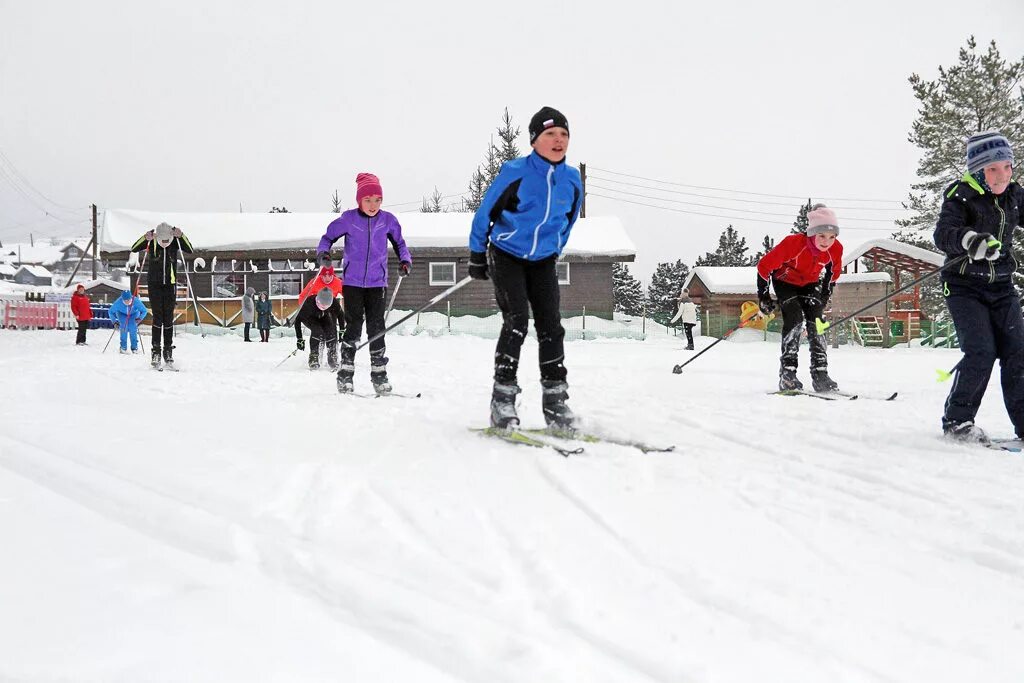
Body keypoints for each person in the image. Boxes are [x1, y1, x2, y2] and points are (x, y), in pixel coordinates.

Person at [468, 106, 584, 429]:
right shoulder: (515, 172)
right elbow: (485, 213)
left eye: (563, 134)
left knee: (551, 325)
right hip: (507, 252)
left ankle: (556, 401)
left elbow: (568, 220)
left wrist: (555, 249)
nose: (558, 140)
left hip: (543, 259)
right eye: (550, 134)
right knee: (517, 319)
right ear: (534, 140)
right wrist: (477, 254)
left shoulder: (572, 180)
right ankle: (502, 399)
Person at [933, 130, 1024, 443]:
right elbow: (944, 234)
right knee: (981, 351)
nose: (1003, 175)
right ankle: (957, 421)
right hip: (964, 286)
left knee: (1018, 352)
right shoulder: (961, 195)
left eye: (1008, 166)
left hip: (1001, 285)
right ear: (977, 170)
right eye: (993, 168)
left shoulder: (1014, 194)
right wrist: (970, 240)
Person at [317, 173, 411, 394]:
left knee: (377, 328)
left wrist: (405, 261)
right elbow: (327, 238)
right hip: (353, 283)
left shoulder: (387, 220)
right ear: (359, 200)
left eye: (377, 200)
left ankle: (379, 375)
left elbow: (400, 243)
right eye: (368, 200)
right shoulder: (348, 219)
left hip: (378, 283)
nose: (373, 205)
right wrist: (323, 253)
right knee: (354, 326)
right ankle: (345, 375)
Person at [756, 204, 843, 392]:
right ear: (812, 232)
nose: (827, 241)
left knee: (818, 321)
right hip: (785, 282)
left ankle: (820, 373)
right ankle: (788, 374)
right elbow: (764, 266)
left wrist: (825, 294)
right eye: (821, 235)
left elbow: (833, 273)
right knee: (794, 317)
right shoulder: (793, 244)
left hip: (809, 283)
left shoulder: (836, 249)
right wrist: (763, 296)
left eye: (832, 237)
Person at [130, 222, 193, 368]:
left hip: (170, 286)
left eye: (167, 241)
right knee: (158, 318)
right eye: (162, 241)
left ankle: (168, 350)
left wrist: (181, 236)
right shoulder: (152, 242)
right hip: (155, 285)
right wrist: (145, 238)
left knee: (168, 319)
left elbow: (189, 249)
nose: (164, 244)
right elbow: (134, 248)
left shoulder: (175, 242)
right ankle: (156, 351)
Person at [294, 287, 344, 370]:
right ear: (317, 300)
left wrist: (342, 330)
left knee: (331, 330)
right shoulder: (309, 303)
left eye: (326, 306)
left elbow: (341, 315)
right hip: (310, 318)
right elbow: (297, 321)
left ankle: (332, 355)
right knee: (317, 331)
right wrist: (299, 339)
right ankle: (314, 356)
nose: (323, 307)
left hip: (324, 317)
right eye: (321, 304)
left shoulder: (334, 303)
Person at [107, 289, 149, 354]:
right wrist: (114, 321)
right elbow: (110, 312)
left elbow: (144, 310)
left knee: (133, 329)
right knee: (124, 328)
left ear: (131, 298)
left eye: (129, 300)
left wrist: (140, 318)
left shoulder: (136, 301)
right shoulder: (118, 302)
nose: (127, 302)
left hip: (134, 314)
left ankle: (134, 348)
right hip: (122, 314)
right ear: (122, 299)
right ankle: (123, 347)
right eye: (125, 300)